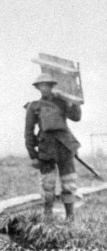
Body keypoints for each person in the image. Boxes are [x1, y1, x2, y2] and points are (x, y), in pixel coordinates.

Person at [24, 73, 82, 221]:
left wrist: (73, 101)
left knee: (69, 183)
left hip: (64, 146)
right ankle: (48, 215)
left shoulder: (62, 103)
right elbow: (29, 132)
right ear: (38, 88)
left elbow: (76, 117)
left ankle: (70, 217)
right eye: (41, 85)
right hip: (46, 148)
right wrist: (33, 155)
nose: (44, 88)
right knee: (48, 184)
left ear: (52, 86)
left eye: (47, 85)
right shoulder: (34, 106)